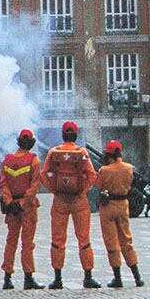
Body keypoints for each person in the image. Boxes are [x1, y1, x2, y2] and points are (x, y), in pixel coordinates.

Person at [41, 120, 100, 290]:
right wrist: (82, 190)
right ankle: (88, 276)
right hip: (79, 200)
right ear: (75, 135)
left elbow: (44, 175)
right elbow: (92, 175)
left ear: (62, 134)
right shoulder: (81, 152)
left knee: (58, 239)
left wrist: (55, 190)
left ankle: (58, 278)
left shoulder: (54, 152)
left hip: (60, 200)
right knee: (84, 239)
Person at [95, 140, 145, 288]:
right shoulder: (129, 168)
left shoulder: (104, 170)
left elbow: (98, 185)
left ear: (108, 154)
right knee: (126, 239)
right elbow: (129, 184)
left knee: (112, 242)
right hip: (123, 204)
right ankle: (137, 276)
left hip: (108, 205)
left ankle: (117, 277)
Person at [0, 129, 44, 290]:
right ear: (31, 143)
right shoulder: (33, 160)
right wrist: (23, 203)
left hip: (11, 208)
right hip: (28, 207)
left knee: (11, 241)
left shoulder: (8, 160)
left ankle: (7, 278)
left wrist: (10, 202)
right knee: (27, 243)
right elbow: (34, 185)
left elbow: (3, 184)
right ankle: (28, 278)